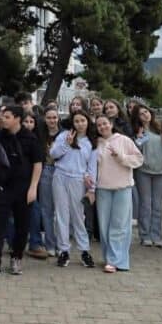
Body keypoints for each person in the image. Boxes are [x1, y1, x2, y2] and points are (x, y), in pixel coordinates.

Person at [0, 105, 42, 278]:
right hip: (2, 187)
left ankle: (16, 257)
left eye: (7, 116)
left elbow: (37, 164)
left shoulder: (31, 138)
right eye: (2, 116)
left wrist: (33, 187)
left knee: (22, 225)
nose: (2, 119)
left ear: (17, 118)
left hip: (24, 188)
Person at [94, 115, 144, 273]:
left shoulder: (123, 140)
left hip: (122, 187)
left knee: (119, 225)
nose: (102, 127)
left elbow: (138, 159)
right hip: (103, 188)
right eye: (99, 125)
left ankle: (116, 260)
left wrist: (121, 157)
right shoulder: (96, 144)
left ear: (111, 124)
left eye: (105, 124)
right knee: (104, 225)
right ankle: (110, 257)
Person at [50, 110, 97, 268]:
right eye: (76, 121)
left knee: (78, 216)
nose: (80, 124)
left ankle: (84, 250)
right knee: (61, 214)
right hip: (60, 176)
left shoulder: (91, 142)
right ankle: (64, 250)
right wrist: (66, 144)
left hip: (78, 179)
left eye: (83, 120)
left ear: (88, 121)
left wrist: (92, 188)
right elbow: (53, 154)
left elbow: (92, 168)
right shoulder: (64, 136)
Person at [131, 104, 162, 248]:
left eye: (147, 112)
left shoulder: (160, 129)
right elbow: (135, 153)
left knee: (157, 205)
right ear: (137, 117)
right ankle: (145, 235)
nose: (146, 115)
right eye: (142, 113)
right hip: (144, 172)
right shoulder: (138, 131)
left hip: (160, 172)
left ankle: (156, 235)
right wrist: (138, 140)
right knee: (145, 205)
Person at [28, 104, 61, 259]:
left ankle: (62, 244)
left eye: (54, 117)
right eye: (49, 118)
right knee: (46, 210)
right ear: (44, 119)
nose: (52, 120)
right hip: (46, 170)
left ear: (58, 118)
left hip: (62, 171)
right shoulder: (40, 134)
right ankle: (50, 244)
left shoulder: (65, 134)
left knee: (61, 210)